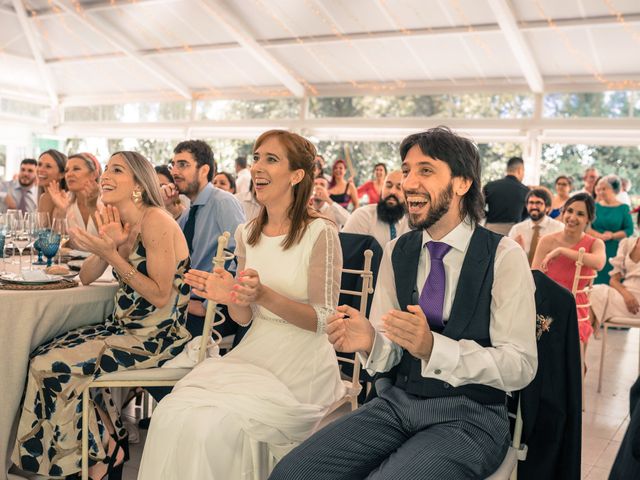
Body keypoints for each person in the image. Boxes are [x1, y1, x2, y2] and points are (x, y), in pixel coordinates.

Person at [271, 126, 537, 480]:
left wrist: (433, 348)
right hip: (397, 403)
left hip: (471, 418)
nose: (409, 182)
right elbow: (391, 355)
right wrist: (369, 341)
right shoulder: (398, 251)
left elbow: (520, 366)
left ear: (462, 183)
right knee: (292, 472)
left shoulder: (504, 255)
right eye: (407, 170)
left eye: (425, 170)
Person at [137, 130, 345, 480]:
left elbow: (324, 321)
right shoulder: (247, 233)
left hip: (301, 360)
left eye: (271, 159)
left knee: (213, 427)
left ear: (297, 175)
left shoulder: (320, 232)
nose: (258, 167)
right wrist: (230, 295)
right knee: (172, 412)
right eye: (256, 157)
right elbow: (244, 317)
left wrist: (262, 295)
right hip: (254, 353)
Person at [11, 151, 191, 479]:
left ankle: (91, 459)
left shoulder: (156, 220)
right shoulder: (125, 221)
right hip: (125, 327)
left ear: (138, 184)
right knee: (39, 352)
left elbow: (161, 295)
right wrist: (106, 248)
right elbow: (88, 277)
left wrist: (112, 253)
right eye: (107, 168)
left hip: (156, 337)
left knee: (52, 368)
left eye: (117, 170)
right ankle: (107, 444)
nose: (105, 175)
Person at [163, 140, 245, 339]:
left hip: (216, 310)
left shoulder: (223, 202)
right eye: (173, 165)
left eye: (183, 164)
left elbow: (241, 256)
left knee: (159, 335)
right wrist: (163, 207)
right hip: (188, 303)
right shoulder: (188, 213)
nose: (174, 171)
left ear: (204, 169)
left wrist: (208, 304)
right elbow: (171, 255)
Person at [532, 193, 606, 344]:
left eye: (580, 214)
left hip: (575, 306)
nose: (572, 217)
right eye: (569, 211)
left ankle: (575, 366)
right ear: (563, 212)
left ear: (588, 219)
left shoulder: (595, 243)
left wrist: (562, 251)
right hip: (546, 304)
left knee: (570, 337)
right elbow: (534, 277)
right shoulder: (547, 241)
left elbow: (599, 263)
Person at [591, 210, 640, 325]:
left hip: (637, 305)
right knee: (593, 292)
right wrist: (626, 295)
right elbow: (613, 280)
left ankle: (580, 339)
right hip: (624, 296)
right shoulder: (627, 243)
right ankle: (581, 340)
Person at [343, 170, 410, 246]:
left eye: (399, 187)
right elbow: (345, 253)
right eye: (388, 186)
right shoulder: (362, 216)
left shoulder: (412, 224)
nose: (392, 191)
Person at [588, 175, 634, 284]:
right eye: (599, 189)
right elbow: (587, 227)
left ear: (614, 189)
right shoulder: (594, 206)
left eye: (604, 189)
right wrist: (599, 236)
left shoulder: (624, 208)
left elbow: (629, 230)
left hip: (615, 251)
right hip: (595, 248)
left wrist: (612, 235)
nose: (600, 192)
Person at [48, 152, 102, 242]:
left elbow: (111, 241)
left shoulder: (106, 201)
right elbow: (55, 243)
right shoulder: (64, 199)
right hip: (73, 256)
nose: (69, 174)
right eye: (67, 170)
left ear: (94, 174)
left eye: (76, 169)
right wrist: (62, 210)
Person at [508, 188, 564, 264]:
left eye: (538, 203)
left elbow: (562, 257)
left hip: (548, 272)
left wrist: (547, 248)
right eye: (531, 202)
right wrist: (517, 250)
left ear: (547, 208)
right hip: (522, 271)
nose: (534, 206)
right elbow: (509, 256)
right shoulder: (517, 229)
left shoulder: (559, 228)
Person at [483, 156, 529, 235]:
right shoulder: (525, 190)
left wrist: (488, 216)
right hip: (513, 231)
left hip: (490, 230)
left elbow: (477, 207)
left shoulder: (489, 186)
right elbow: (528, 212)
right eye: (524, 171)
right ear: (519, 170)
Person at [36, 149, 67, 220]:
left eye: (48, 166)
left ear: (62, 174)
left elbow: (58, 230)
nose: (40, 169)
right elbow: (40, 229)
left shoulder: (66, 198)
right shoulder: (43, 197)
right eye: (39, 164)